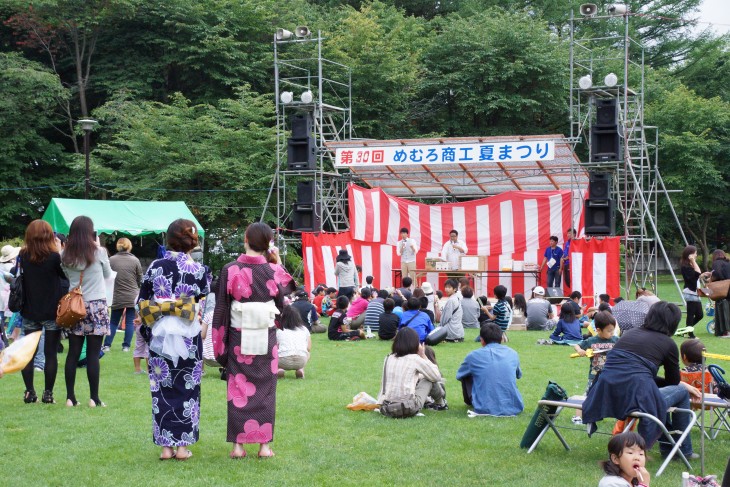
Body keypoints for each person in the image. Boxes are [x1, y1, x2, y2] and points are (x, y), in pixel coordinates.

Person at [212, 222, 295, 460]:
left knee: (238, 388)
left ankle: (238, 446)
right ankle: (264, 447)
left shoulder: (230, 269)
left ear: (246, 239)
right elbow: (284, 299)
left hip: (239, 336)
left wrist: (220, 344)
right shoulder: (273, 270)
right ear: (268, 243)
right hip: (266, 336)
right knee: (266, 390)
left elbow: (221, 308)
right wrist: (276, 261)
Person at [582, 302, 702, 460]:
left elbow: (635, 373)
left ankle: (669, 449)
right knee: (678, 392)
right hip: (635, 398)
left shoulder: (629, 334)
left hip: (606, 395)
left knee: (656, 396)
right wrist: (683, 385)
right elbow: (673, 382)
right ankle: (682, 451)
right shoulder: (668, 343)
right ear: (673, 323)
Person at [138, 218, 211, 460]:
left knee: (161, 388)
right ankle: (182, 447)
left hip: (160, 333)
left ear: (168, 239)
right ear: (192, 242)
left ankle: (165, 447)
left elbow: (142, 301)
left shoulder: (155, 266)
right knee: (188, 388)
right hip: (188, 334)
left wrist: (149, 329)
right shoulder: (200, 270)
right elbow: (203, 300)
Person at [61, 216, 112, 409]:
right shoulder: (99, 252)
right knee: (92, 354)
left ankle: (70, 397)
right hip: (96, 306)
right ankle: (94, 398)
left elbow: (66, 276)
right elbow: (107, 274)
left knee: (72, 353)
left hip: (75, 307)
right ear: (91, 232)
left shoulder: (65, 254)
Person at [15, 221, 66, 404]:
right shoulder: (54, 257)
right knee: (50, 353)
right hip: (52, 310)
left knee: (28, 353)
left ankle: (29, 392)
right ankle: (48, 394)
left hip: (29, 310)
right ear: (49, 235)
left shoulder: (23, 255)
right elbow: (64, 277)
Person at [456, 323, 523, 416]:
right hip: (514, 406)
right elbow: (518, 375)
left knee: (467, 375)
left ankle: (474, 402)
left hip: (484, 408)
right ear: (501, 339)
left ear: (482, 340)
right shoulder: (513, 353)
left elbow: (459, 375)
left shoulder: (473, 356)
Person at [377, 327, 447, 415]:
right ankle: (441, 403)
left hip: (386, 405)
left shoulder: (388, 357)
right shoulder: (415, 359)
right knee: (428, 378)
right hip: (407, 406)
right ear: (415, 343)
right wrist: (423, 355)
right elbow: (436, 376)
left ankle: (438, 401)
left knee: (424, 377)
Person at [103, 237, 143, 352]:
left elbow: (107, 277)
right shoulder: (135, 260)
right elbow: (140, 278)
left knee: (114, 321)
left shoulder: (111, 260)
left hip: (117, 295)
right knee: (130, 321)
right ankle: (126, 346)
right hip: (132, 295)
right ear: (129, 246)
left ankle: (107, 345)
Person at [276, 305, 311, 380]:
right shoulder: (304, 329)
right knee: (308, 353)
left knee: (275, 352)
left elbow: (275, 347)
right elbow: (308, 348)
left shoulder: (280, 330)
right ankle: (300, 369)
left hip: (283, 361)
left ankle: (279, 369)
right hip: (301, 360)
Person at [678, 246, 702, 339]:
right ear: (690, 254)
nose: (696, 255)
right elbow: (697, 273)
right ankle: (690, 334)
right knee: (691, 314)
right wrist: (693, 261)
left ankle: (685, 330)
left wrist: (702, 275)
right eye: (695, 253)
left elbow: (697, 275)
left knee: (700, 315)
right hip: (690, 292)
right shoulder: (685, 266)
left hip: (695, 292)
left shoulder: (690, 265)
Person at [710, 249, 730, 338]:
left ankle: (725, 331)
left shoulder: (716, 263)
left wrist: (711, 278)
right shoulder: (728, 262)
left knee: (722, 309)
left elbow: (717, 274)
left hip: (723, 289)